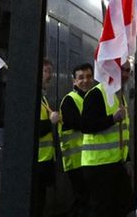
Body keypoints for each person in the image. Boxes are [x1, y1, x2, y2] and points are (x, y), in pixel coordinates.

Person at [78, 66, 134, 217]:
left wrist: (127, 160)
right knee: (102, 210)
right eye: (122, 70)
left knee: (123, 206)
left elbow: (121, 135)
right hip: (98, 165)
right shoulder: (96, 94)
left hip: (115, 163)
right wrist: (112, 119)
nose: (126, 74)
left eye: (128, 71)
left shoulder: (119, 97)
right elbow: (85, 126)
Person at [59, 63, 96, 216]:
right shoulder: (70, 100)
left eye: (88, 77)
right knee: (83, 200)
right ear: (74, 81)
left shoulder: (91, 98)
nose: (85, 81)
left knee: (86, 200)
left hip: (89, 160)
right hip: (76, 161)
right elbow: (78, 124)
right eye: (81, 78)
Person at [33, 59, 61, 217]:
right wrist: (50, 122)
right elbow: (30, 129)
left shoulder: (42, 98)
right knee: (36, 203)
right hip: (36, 162)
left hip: (43, 160)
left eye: (50, 71)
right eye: (46, 71)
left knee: (40, 202)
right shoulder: (33, 97)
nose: (50, 75)